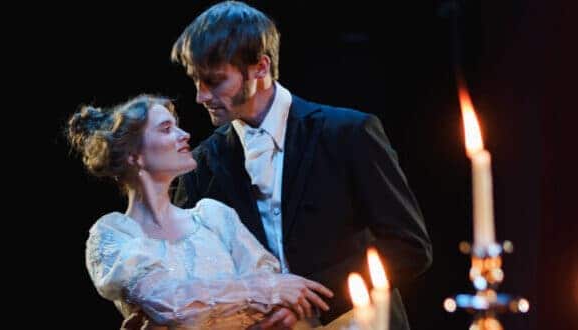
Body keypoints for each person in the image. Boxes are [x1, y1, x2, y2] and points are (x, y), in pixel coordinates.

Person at [171, 2, 433, 329]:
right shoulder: (202, 163)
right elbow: (187, 269)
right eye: (196, 80)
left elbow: (409, 248)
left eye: (214, 81)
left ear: (260, 68)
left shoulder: (348, 133)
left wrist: (308, 301)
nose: (200, 96)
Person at [67, 94, 334, 329]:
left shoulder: (213, 216)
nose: (184, 135)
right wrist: (266, 290)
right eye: (166, 128)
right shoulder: (113, 235)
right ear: (133, 155)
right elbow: (171, 304)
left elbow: (267, 278)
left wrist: (268, 292)